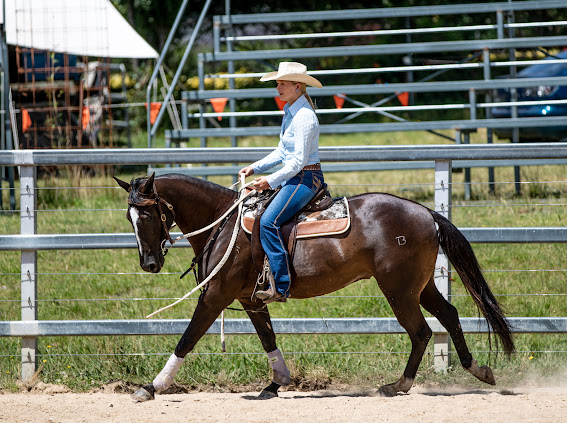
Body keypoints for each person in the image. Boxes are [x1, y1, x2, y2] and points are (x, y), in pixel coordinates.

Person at [239, 61, 324, 303]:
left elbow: (297, 161)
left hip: (306, 178)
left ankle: (281, 284)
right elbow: (282, 152)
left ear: (297, 86)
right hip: (297, 176)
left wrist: (269, 180)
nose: (278, 88)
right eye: (277, 83)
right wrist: (255, 167)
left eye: (282, 83)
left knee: (268, 221)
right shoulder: (291, 111)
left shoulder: (304, 116)